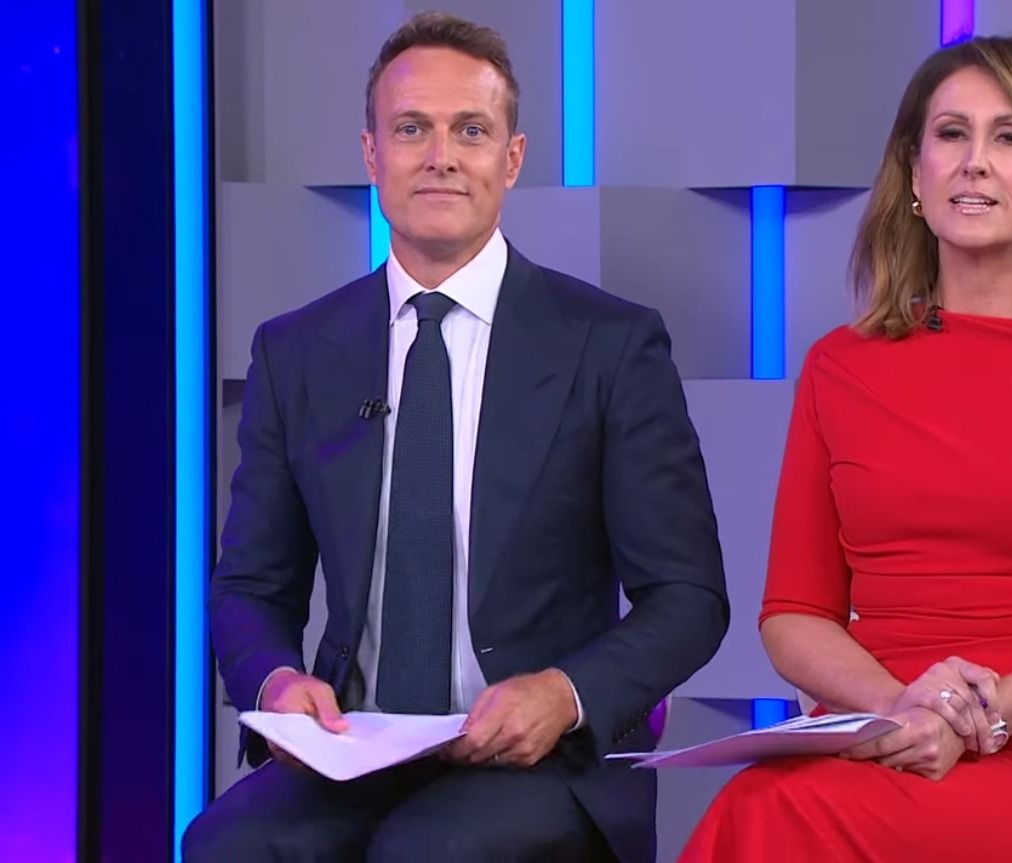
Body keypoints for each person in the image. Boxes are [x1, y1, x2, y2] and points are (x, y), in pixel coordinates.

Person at [182, 13, 728, 862]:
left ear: (511, 158)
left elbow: (688, 597)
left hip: (544, 756)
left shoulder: (608, 344)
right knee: (225, 843)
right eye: (411, 129)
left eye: (470, 130)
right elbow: (251, 585)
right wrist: (275, 680)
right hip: (355, 746)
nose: (440, 155)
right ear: (372, 154)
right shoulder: (296, 352)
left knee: (428, 852)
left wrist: (566, 692)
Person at [681, 35, 1012, 862]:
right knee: (762, 804)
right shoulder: (840, 366)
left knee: (779, 817)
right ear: (914, 176)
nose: (974, 161)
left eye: (1010, 137)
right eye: (951, 133)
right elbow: (794, 618)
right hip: (882, 734)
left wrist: (976, 716)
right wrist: (900, 711)